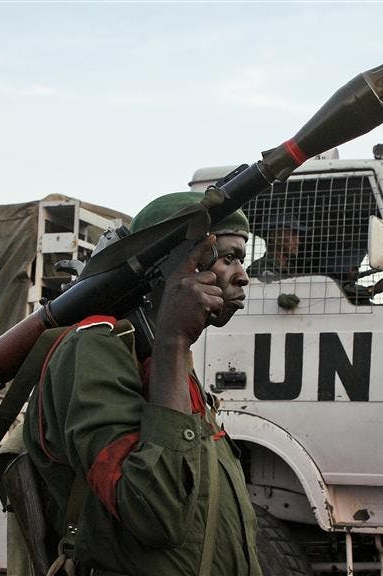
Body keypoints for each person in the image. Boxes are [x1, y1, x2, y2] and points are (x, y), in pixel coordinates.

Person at [21, 192, 262, 576]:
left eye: (242, 260)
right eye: (228, 258)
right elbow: (153, 511)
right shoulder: (95, 348)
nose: (243, 275)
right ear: (171, 265)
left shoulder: (159, 357)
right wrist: (173, 340)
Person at [247, 214, 308, 282]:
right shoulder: (260, 268)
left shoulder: (291, 269)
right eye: (293, 235)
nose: (298, 242)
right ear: (275, 236)